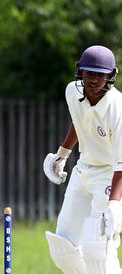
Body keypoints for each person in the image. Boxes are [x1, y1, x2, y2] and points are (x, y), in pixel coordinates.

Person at [43, 45, 122, 273]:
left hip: (110, 176)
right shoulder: (72, 92)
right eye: (89, 73)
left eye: (100, 74)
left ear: (111, 75)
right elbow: (81, 121)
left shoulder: (117, 107)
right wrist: (62, 155)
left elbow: (121, 162)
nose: (94, 79)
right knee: (62, 249)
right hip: (83, 170)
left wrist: (114, 204)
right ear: (80, 72)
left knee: (97, 250)